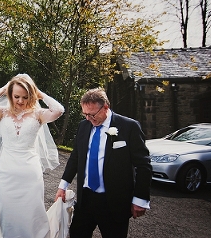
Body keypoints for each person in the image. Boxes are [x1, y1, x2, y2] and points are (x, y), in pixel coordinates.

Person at [0, 74, 65, 238]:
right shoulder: (2, 113)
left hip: (30, 173)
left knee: (32, 210)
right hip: (7, 173)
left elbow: (59, 110)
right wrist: (3, 90)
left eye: (25, 97)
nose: (20, 101)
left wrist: (40, 94)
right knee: (8, 209)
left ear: (31, 96)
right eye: (16, 96)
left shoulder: (38, 114)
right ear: (10, 95)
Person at [55, 88, 152, 238]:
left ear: (106, 107)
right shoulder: (83, 126)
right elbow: (76, 157)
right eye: (85, 114)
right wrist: (63, 186)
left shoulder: (129, 127)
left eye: (92, 114)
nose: (88, 118)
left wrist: (140, 199)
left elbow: (143, 165)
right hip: (85, 199)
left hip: (114, 202)